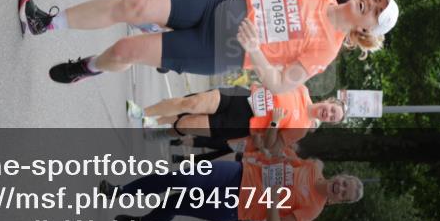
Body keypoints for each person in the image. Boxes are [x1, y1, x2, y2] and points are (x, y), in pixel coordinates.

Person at [19, 0, 399, 94]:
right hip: (221, 6)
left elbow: (281, 83)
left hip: (219, 50)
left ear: (366, 30)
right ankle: (47, 23)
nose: (370, 3)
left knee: (125, 51)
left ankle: (89, 67)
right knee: (133, 6)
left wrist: (255, 52)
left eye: (375, 12)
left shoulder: (326, 50)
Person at [99, 147, 363, 221]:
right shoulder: (314, 167)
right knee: (182, 177)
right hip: (238, 173)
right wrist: (274, 153)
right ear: (341, 176)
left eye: (343, 194)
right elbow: (283, 159)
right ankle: (121, 191)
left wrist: (272, 201)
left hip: (236, 205)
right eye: (344, 183)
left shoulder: (313, 209)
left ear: (340, 201)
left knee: (175, 203)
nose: (339, 188)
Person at [127, 85, 346, 153]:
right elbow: (275, 78)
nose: (328, 114)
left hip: (242, 124)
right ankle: (143, 112)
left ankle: (161, 132)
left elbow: (271, 145)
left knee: (186, 124)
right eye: (331, 110)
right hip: (243, 97)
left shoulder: (302, 129)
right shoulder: (302, 88)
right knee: (192, 103)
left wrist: (273, 124)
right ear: (329, 101)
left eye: (332, 118)